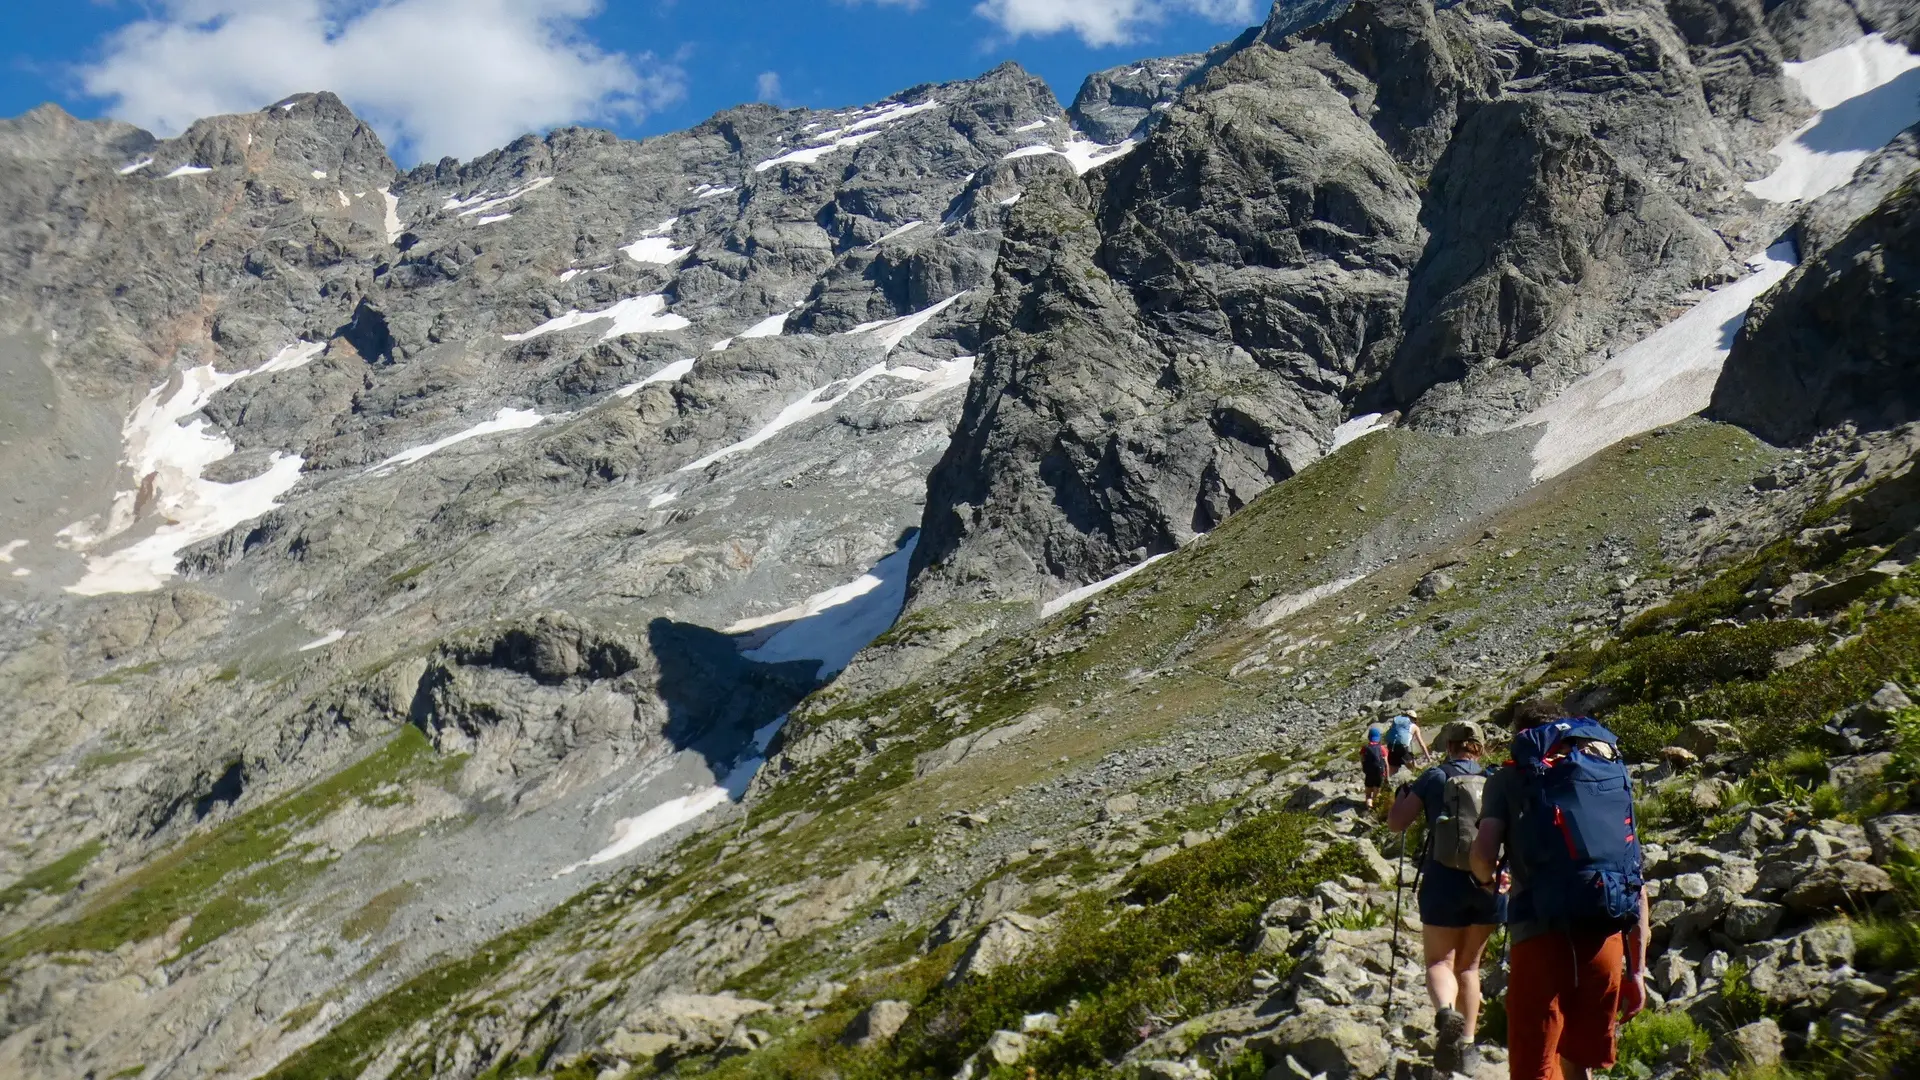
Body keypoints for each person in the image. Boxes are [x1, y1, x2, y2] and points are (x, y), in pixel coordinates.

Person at [1471, 701, 1650, 1080]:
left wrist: (1488, 881)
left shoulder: (1509, 778)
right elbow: (1633, 872)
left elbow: (1483, 853)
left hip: (1539, 933)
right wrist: (1637, 970)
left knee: (1535, 1063)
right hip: (1605, 930)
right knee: (1579, 1060)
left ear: (1523, 737)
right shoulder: (1607, 774)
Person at [1388, 720, 1502, 1074]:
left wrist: (1403, 797)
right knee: (1470, 967)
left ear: (1449, 746)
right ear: (1479, 748)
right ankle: (1466, 1047)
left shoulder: (1434, 777)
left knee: (1440, 962)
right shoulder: (1496, 779)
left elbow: (1397, 823)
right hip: (1490, 883)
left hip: (1442, 882)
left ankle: (1444, 1012)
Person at [1384, 712, 1431, 779]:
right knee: (1413, 769)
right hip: (1402, 748)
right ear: (1414, 719)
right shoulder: (1414, 727)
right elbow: (1421, 744)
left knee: (1393, 772)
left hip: (1391, 746)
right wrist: (1429, 758)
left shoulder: (1397, 723)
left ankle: (1390, 786)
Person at [1361, 726, 1389, 816]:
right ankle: (1376, 811)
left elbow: (1362, 760)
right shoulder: (1382, 748)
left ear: (1369, 737)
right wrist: (1387, 777)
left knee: (1368, 794)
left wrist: (1365, 769)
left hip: (1369, 774)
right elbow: (1386, 764)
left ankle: (1369, 807)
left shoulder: (1365, 748)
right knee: (1377, 794)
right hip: (1380, 774)